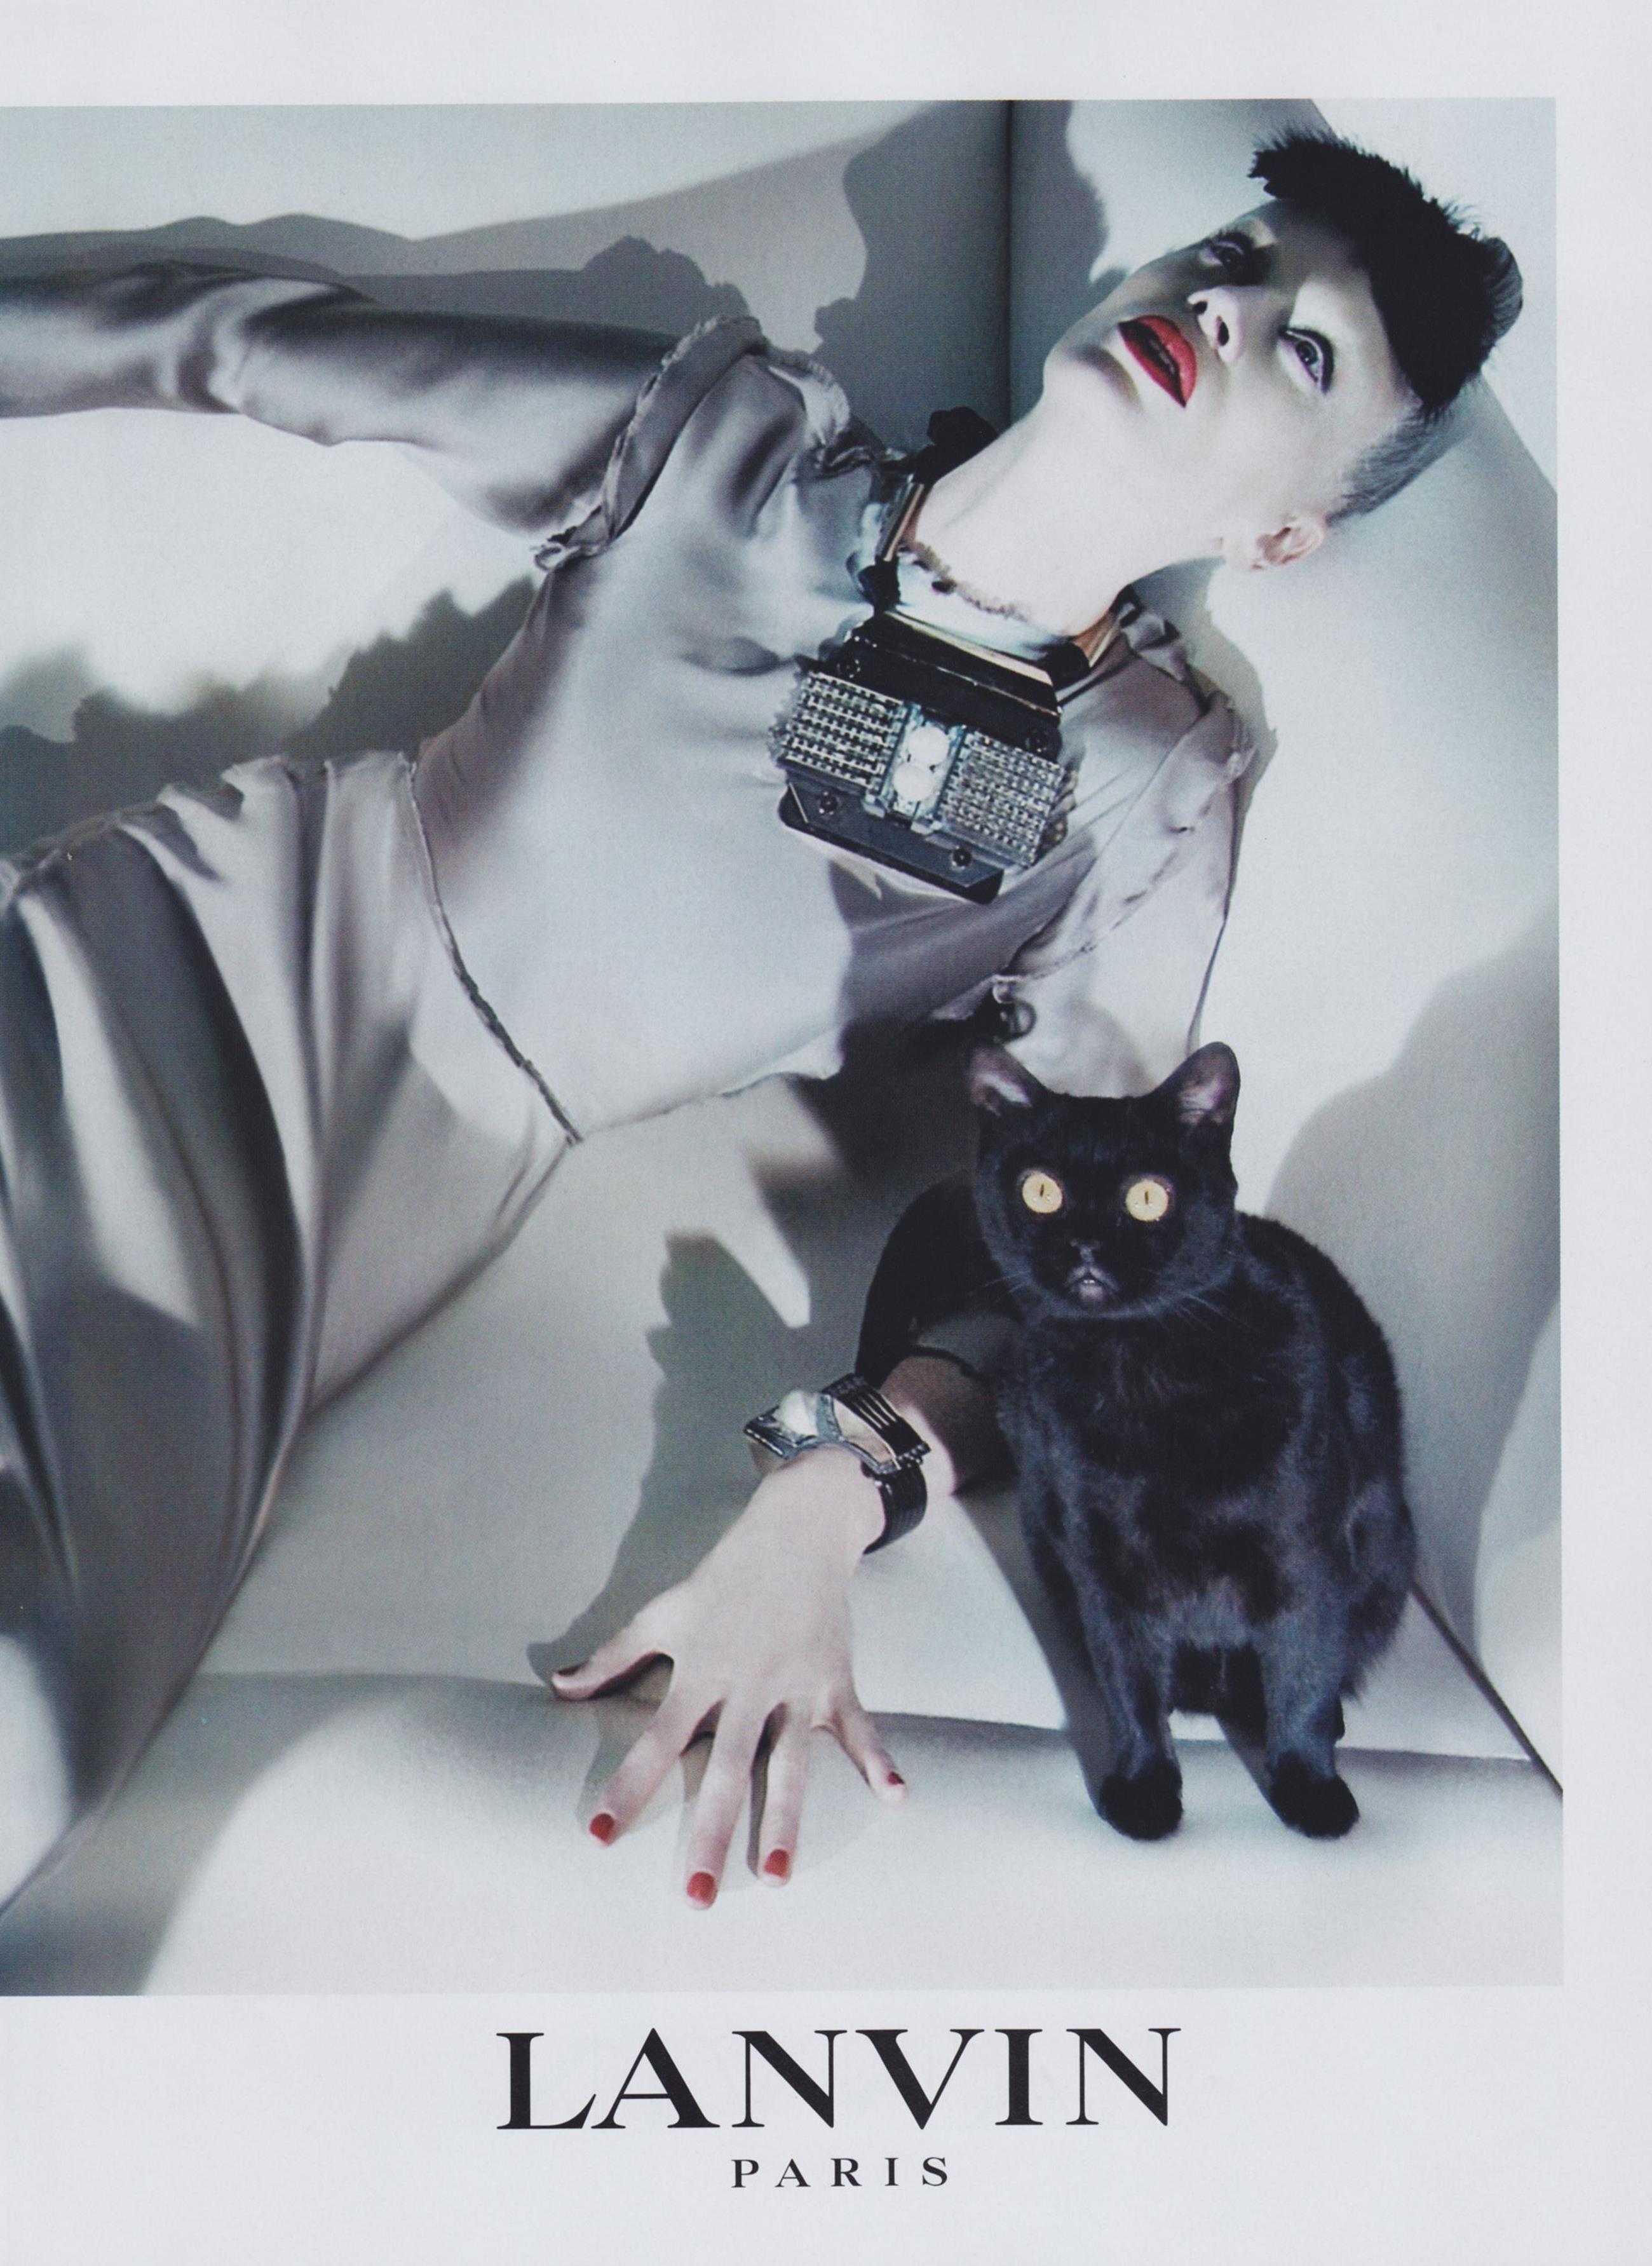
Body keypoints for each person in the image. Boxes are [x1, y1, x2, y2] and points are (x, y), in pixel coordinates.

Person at [0, 132, 1519, 1915]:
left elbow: (1075, 1265)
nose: (1232, 308)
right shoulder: (725, 448)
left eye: (1308, 353)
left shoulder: (1145, 788)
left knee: (28, 1731)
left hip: (345, 1220)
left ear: (1284, 535)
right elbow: (244, 344)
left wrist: (829, 1495)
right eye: (1239, 254)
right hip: (152, 950)